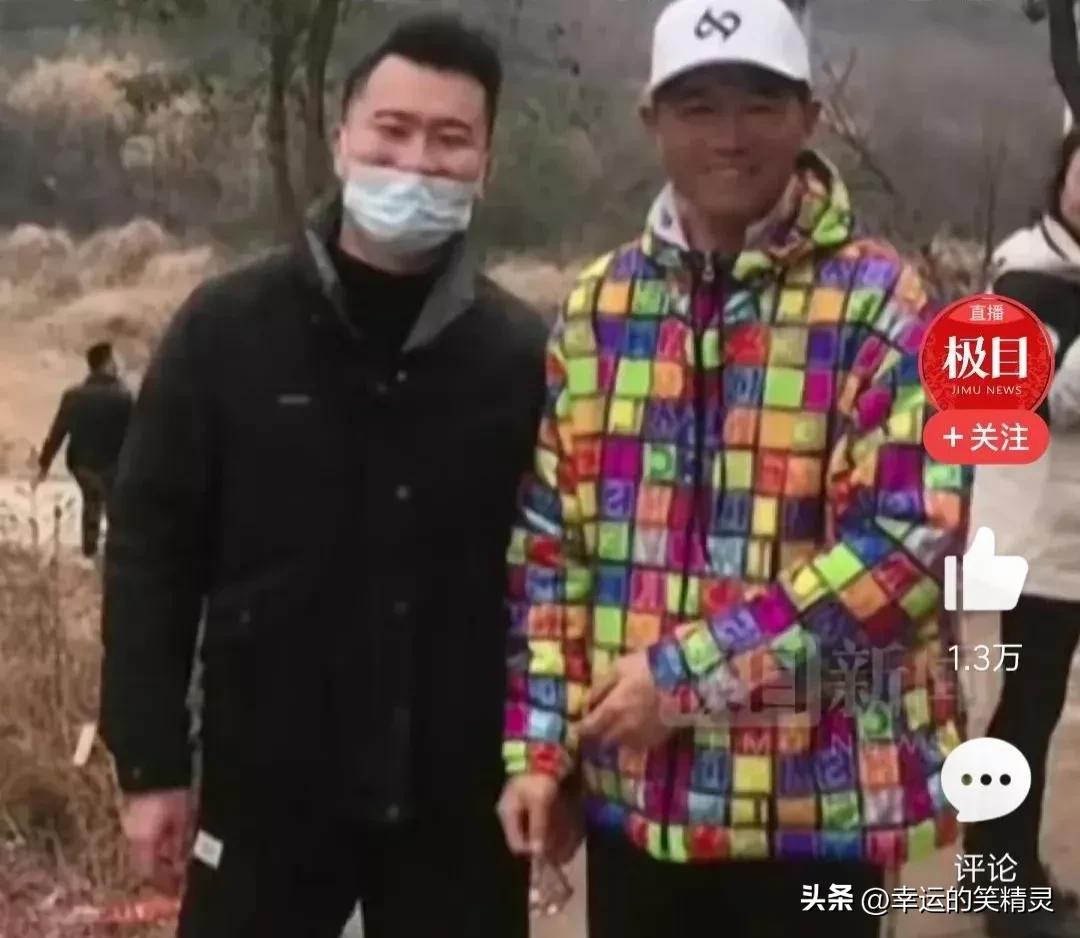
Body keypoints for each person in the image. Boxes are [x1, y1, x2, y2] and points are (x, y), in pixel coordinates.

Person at [497, 0, 971, 935]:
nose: (729, 135)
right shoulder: (600, 307)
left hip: (815, 812)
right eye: (699, 106)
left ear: (808, 117)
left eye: (759, 103)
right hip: (640, 805)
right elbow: (552, 545)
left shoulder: (882, 304)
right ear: (653, 120)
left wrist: (688, 678)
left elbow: (905, 546)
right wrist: (542, 748)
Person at [100, 14, 554, 938]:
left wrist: (548, 761)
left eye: (449, 139)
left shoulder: (520, 356)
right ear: (343, 139)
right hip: (266, 790)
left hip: (455, 800)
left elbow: (555, 576)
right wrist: (149, 763)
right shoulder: (226, 330)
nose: (416, 162)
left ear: (486, 166)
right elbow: (150, 551)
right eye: (392, 130)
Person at [963, 130, 1080, 938]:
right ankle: (999, 886)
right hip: (1030, 538)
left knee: (1033, 712)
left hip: (1070, 537)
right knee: (1023, 713)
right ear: (1062, 177)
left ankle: (1009, 869)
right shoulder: (1023, 275)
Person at [37, 341, 133, 557]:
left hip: (81, 463)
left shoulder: (73, 395)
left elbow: (58, 431)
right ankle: (114, 552)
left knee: (92, 501)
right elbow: (135, 433)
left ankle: (89, 550)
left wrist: (44, 464)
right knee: (114, 507)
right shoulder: (124, 396)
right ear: (107, 364)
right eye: (115, 360)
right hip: (113, 464)